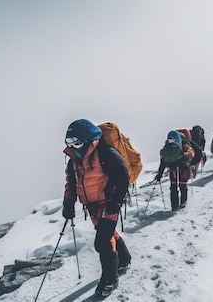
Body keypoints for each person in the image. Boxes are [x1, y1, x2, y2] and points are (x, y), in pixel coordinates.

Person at [62, 119, 132, 297]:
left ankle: (110, 279)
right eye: (70, 143)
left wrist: (115, 202)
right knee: (108, 234)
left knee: (102, 242)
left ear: (88, 139)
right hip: (92, 206)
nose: (74, 147)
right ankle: (124, 260)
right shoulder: (74, 161)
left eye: (77, 142)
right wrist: (68, 203)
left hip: (109, 203)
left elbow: (123, 176)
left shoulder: (105, 153)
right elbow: (70, 183)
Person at [155, 130, 195, 210]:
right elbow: (192, 153)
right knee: (183, 185)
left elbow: (162, 162)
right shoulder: (184, 144)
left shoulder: (166, 147)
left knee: (173, 187)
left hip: (173, 169)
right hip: (184, 168)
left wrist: (160, 174)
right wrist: (185, 156)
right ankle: (183, 204)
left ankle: (174, 206)